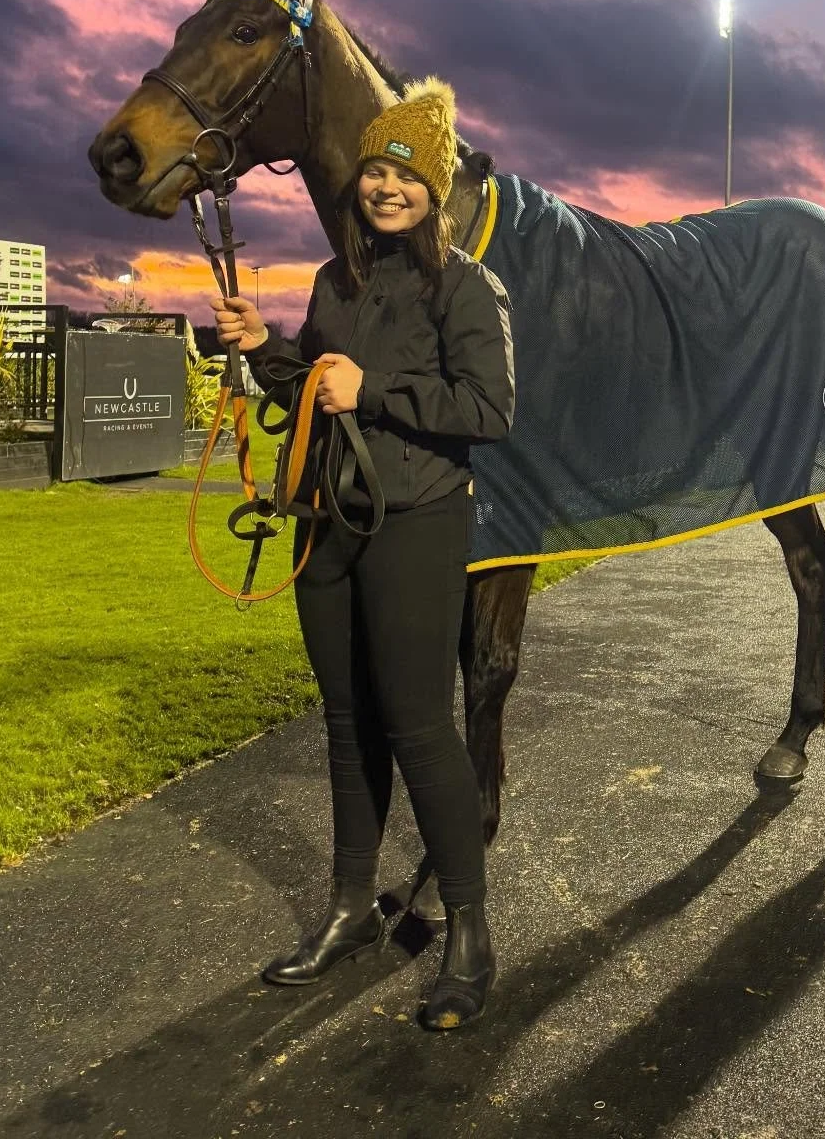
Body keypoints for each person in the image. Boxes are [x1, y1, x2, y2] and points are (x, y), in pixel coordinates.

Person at [212, 78, 516, 1031]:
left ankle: (469, 929)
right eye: (376, 172)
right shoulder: (331, 283)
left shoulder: (465, 285)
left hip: (417, 523)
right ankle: (349, 909)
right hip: (324, 525)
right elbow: (311, 389)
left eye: (407, 176)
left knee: (420, 725)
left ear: (433, 193)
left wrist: (374, 388)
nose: (388, 188)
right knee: (346, 724)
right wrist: (267, 350)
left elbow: (489, 411)